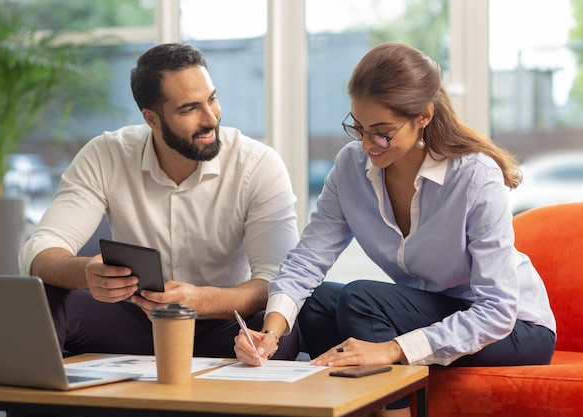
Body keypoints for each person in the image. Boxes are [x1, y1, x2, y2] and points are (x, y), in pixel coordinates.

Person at [234, 42, 556, 416]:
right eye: (359, 128)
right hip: (427, 309)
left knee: (361, 302)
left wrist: (394, 348)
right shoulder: (350, 167)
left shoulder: (474, 175)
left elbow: (497, 310)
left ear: (423, 116)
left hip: (512, 329)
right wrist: (269, 334)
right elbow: (308, 260)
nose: (368, 144)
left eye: (382, 132)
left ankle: (395, 411)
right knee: (314, 304)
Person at [18, 43, 301, 360]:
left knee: (280, 332)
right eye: (189, 109)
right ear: (152, 119)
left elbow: (277, 278)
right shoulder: (107, 154)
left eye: (212, 99)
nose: (211, 118)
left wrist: (201, 299)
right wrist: (86, 272)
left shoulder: (257, 163)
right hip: (133, 323)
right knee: (46, 299)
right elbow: (40, 250)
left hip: (224, 327)